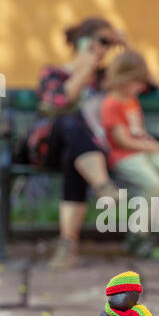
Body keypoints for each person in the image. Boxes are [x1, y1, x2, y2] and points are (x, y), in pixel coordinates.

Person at [26, 17, 129, 269]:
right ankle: (103, 185)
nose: (105, 48)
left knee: (75, 154)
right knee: (69, 121)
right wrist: (84, 67)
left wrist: (127, 45)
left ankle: (67, 246)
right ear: (83, 41)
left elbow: (148, 84)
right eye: (102, 41)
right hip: (47, 147)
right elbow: (56, 104)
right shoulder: (53, 72)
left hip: (83, 153)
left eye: (109, 43)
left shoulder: (105, 77)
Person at [101, 50, 159, 258]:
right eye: (137, 82)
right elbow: (123, 141)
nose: (141, 87)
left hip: (143, 150)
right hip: (124, 155)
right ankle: (137, 236)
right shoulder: (112, 104)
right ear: (124, 79)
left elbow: (140, 133)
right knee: (152, 183)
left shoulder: (132, 100)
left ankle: (152, 227)